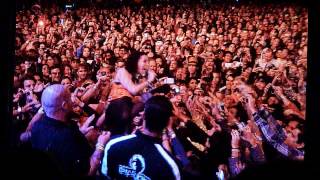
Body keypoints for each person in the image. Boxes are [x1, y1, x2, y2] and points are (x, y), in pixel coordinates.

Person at [30, 84, 110, 177]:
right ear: (64, 105)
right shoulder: (67, 137)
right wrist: (100, 145)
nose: (73, 100)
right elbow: (88, 172)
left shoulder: (37, 126)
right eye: (70, 97)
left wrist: (80, 133)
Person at [101, 96, 181, 180]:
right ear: (168, 122)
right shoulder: (170, 165)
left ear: (143, 115)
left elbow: (105, 175)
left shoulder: (114, 144)